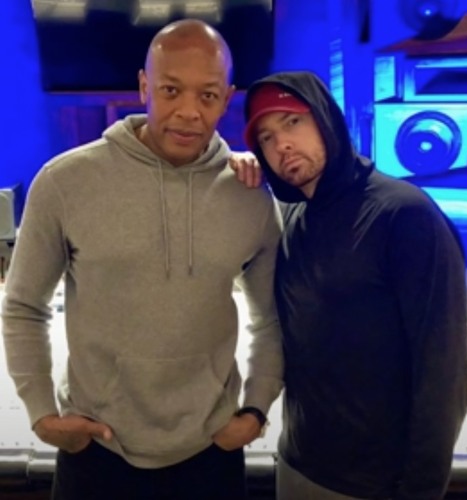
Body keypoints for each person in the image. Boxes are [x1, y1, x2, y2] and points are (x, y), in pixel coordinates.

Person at [1, 20, 284, 500]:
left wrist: (256, 410)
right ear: (144, 86)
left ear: (227, 98)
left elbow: (271, 318)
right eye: (171, 90)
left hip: (210, 454)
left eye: (208, 95)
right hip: (96, 450)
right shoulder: (65, 182)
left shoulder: (248, 194)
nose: (189, 112)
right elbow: (24, 305)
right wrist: (42, 414)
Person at [237, 71, 467, 500]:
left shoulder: (403, 215)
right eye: (266, 138)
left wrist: (420, 490)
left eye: (293, 122)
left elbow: (443, 371)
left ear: (326, 119)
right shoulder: (291, 219)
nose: (282, 144)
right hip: (296, 465)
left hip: (374, 485)